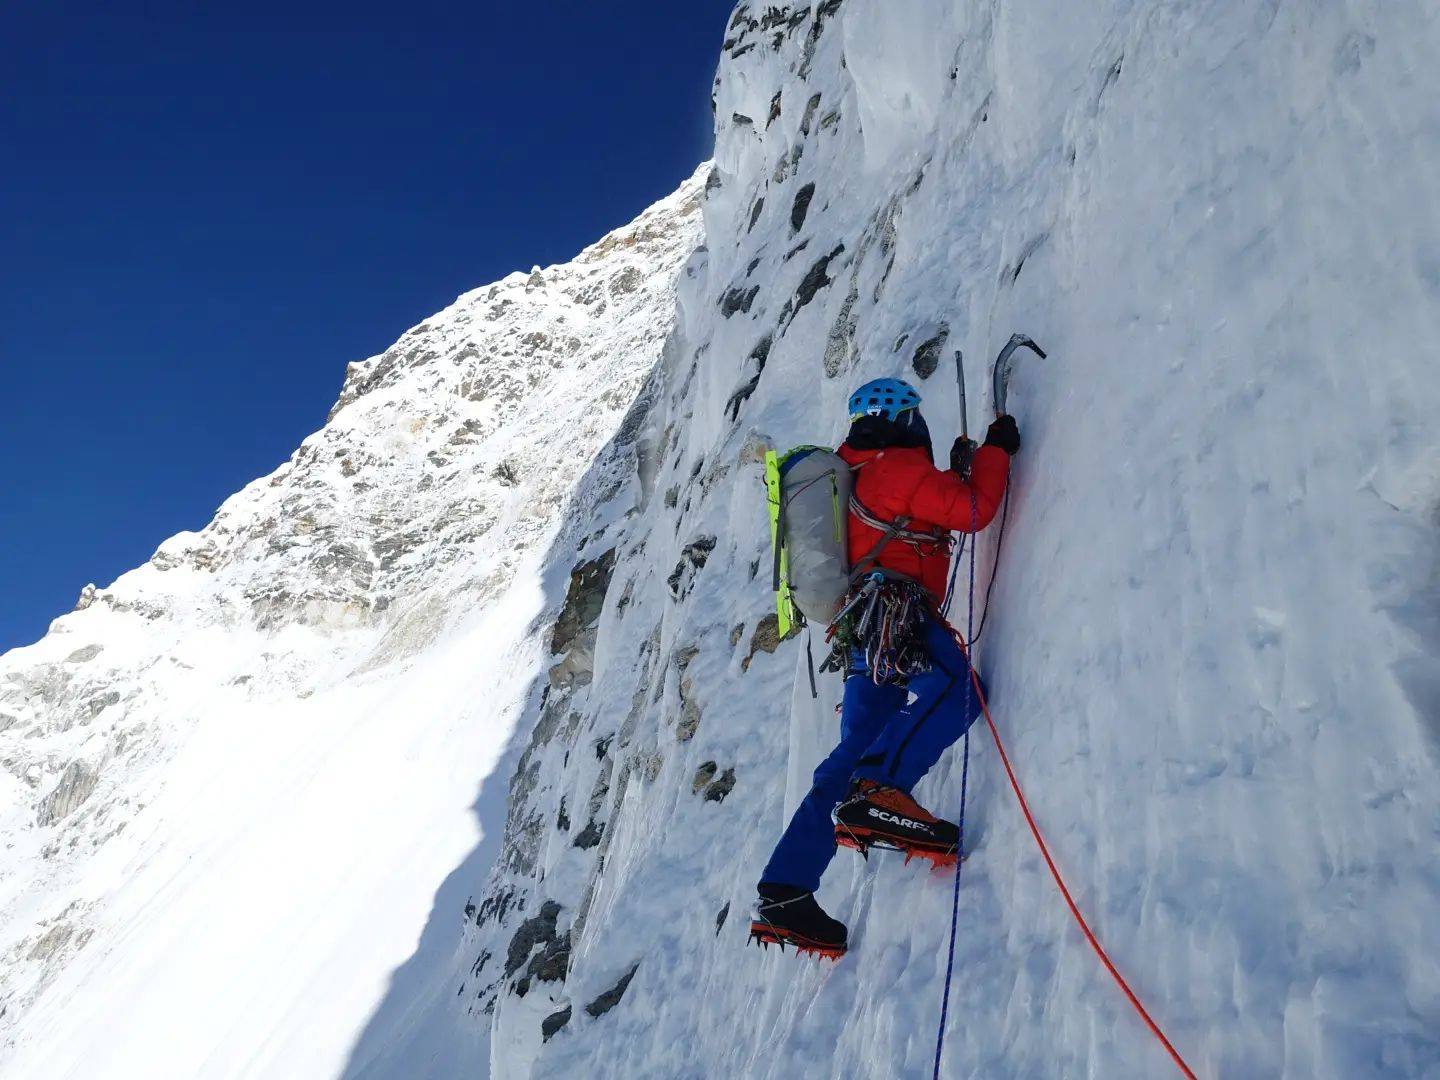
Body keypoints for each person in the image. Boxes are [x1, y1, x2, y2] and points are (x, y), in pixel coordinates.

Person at [750, 377, 1020, 958]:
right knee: (957, 692)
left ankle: (786, 888)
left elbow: (922, 515)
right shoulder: (895, 465)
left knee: (851, 756)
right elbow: (972, 510)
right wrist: (996, 450)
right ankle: (883, 789)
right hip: (898, 616)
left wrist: (953, 471)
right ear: (907, 420)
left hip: (858, 631)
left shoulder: (852, 474)